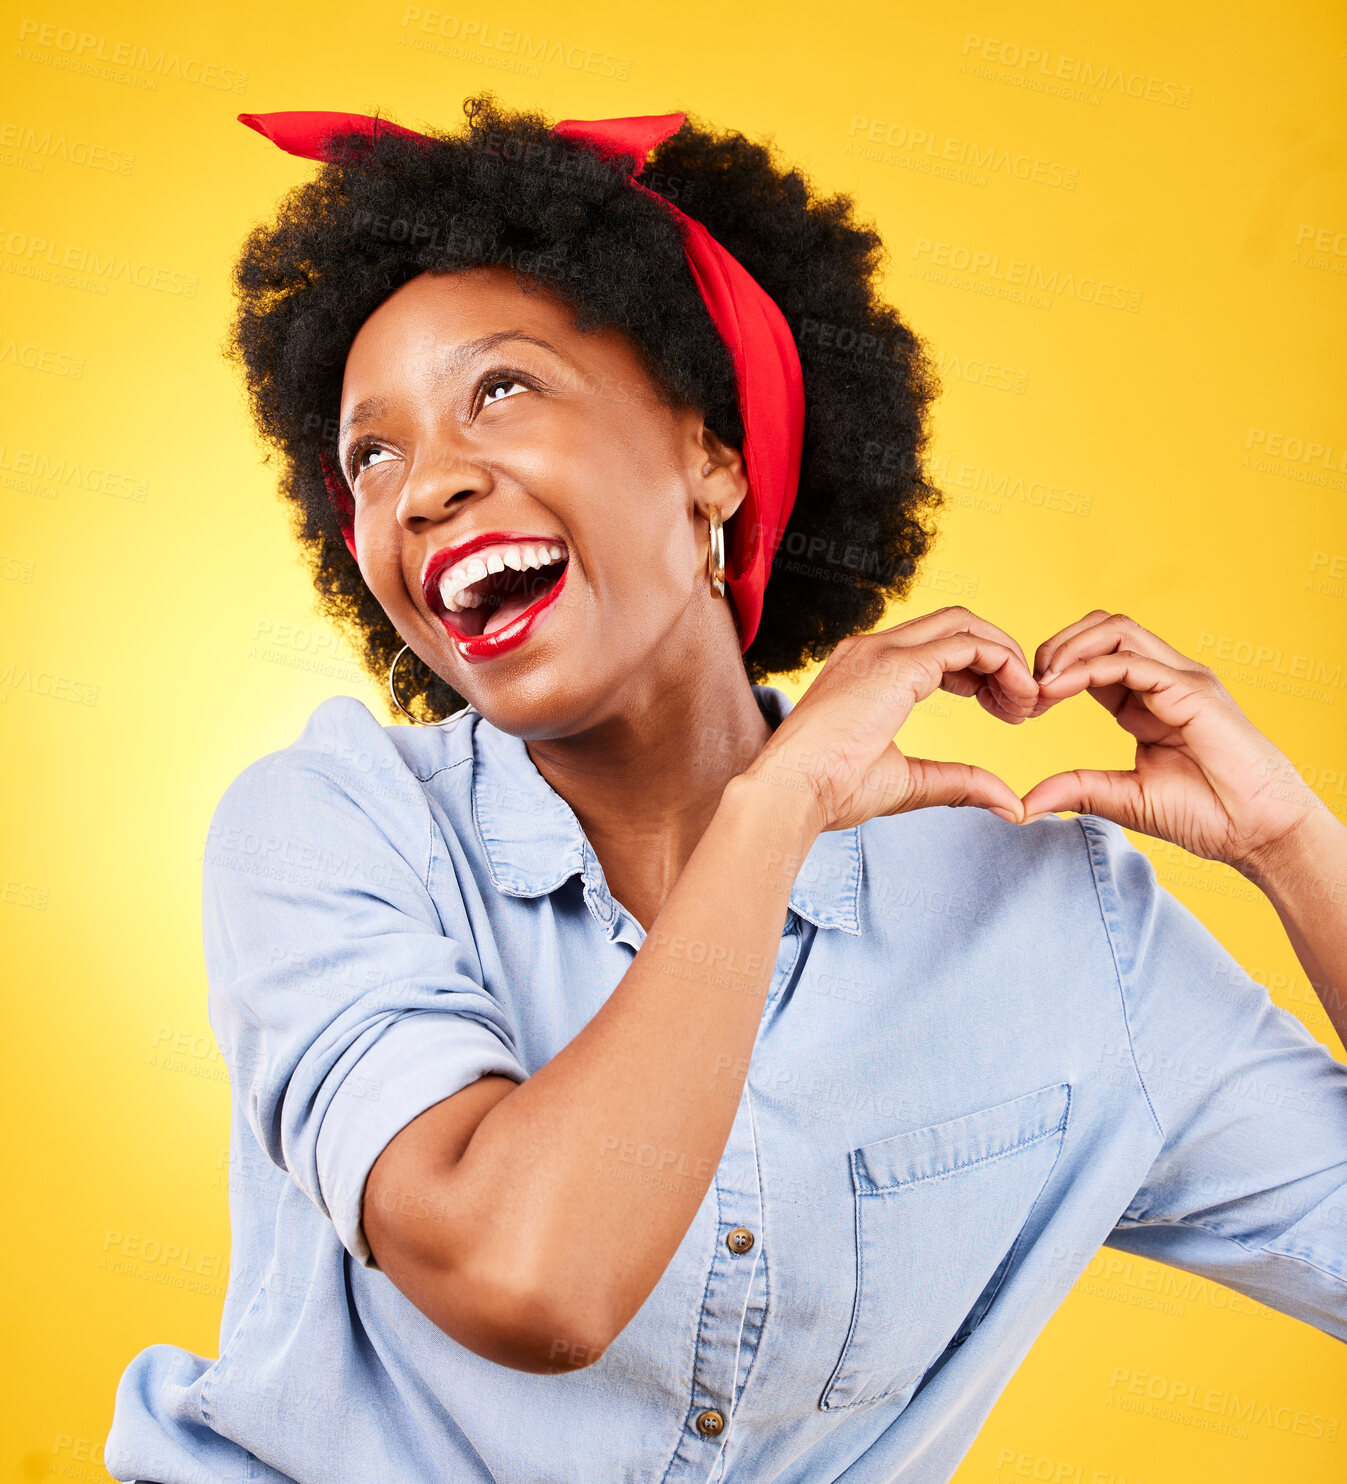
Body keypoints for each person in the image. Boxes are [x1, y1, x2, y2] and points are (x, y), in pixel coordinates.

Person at [106, 96, 1347, 1484]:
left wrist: (1302, 848)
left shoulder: (1052, 930)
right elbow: (533, 1281)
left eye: (498, 389)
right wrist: (776, 809)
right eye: (369, 455)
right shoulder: (330, 829)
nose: (421, 490)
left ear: (713, 454)